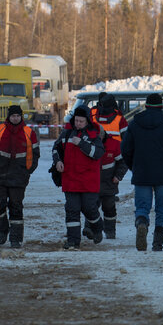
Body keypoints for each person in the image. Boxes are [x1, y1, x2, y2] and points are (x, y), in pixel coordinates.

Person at [122, 93, 163, 252]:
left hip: (142, 173)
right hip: (162, 175)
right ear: (161, 107)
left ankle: (142, 223)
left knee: (142, 207)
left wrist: (133, 166)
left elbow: (125, 149)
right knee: (162, 208)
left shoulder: (134, 124)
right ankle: (157, 243)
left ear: (146, 106)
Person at [0, 105, 40, 248]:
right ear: (8, 117)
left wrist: (27, 171)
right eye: (13, 116)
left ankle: (15, 239)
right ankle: (3, 229)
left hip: (19, 176)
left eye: (18, 116)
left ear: (21, 117)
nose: (15, 118)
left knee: (16, 207)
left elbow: (35, 154)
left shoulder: (29, 133)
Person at [52, 106, 105, 250]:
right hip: (70, 179)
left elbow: (98, 154)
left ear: (87, 121)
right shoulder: (67, 133)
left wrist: (81, 143)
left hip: (88, 180)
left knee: (89, 209)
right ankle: (73, 241)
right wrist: (58, 161)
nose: (78, 124)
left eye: (81, 121)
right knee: (72, 210)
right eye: (76, 120)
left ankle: (98, 227)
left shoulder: (94, 135)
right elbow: (56, 148)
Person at [87, 126, 128, 241]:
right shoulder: (88, 143)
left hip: (109, 183)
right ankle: (90, 230)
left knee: (109, 208)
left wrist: (118, 176)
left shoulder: (114, 144)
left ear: (102, 134)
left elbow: (123, 162)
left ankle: (110, 232)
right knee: (90, 207)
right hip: (92, 183)